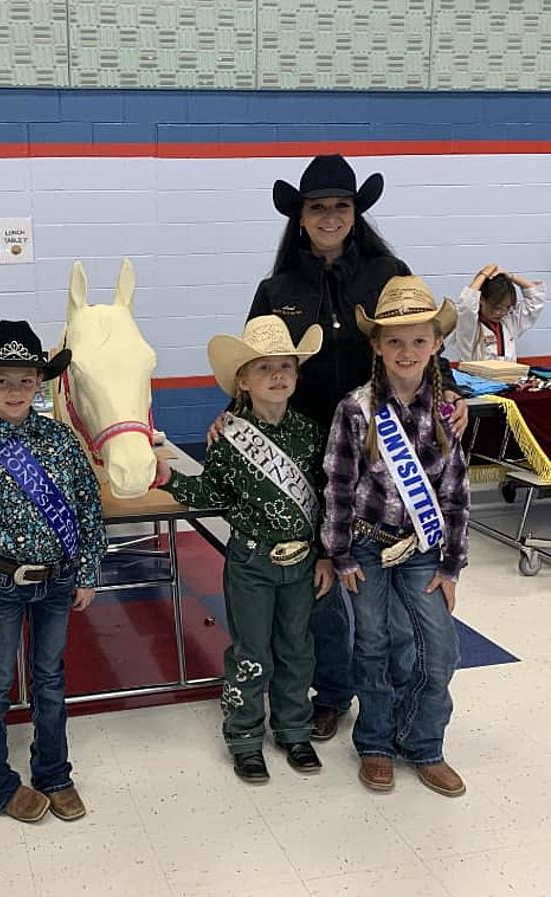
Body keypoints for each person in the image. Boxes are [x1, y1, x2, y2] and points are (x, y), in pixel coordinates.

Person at [212, 154, 468, 741]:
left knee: (395, 588)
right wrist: (232, 414)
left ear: (357, 213)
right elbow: (253, 364)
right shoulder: (276, 287)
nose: (330, 215)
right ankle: (331, 691)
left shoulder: (387, 272)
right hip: (302, 452)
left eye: (341, 205)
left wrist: (447, 390)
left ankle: (400, 710)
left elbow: (422, 343)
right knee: (322, 582)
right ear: (299, 217)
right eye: (318, 206)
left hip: (380, 451)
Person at [155, 315, 334, 782]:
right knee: (253, 651)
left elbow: (326, 497)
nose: (277, 376)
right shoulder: (228, 438)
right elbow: (213, 494)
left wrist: (327, 554)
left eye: (286, 367)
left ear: (296, 375)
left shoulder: (312, 435)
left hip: (303, 561)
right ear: (242, 380)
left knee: (297, 649)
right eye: (264, 368)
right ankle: (244, 737)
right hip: (251, 562)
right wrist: (170, 478)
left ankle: (294, 730)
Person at [0, 321, 106, 824]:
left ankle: (54, 773)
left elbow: (87, 507)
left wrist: (87, 571)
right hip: (0, 586)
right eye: (3, 381)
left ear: (41, 382)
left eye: (24, 380)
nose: (14, 391)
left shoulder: (62, 440)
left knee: (50, 679)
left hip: (58, 582)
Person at [323, 275, 469, 797]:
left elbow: (455, 494)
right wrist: (338, 555)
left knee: (439, 651)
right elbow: (339, 487)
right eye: (395, 341)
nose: (407, 351)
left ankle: (423, 742)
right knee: (374, 646)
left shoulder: (448, 414)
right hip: (365, 545)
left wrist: (452, 566)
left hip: (424, 550)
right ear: (377, 346)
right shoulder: (355, 410)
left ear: (435, 345)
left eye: (418, 340)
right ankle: (377, 744)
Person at [450, 264, 546, 361]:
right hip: (476, 375)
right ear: (482, 300)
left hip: (509, 374)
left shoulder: (509, 322)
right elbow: (467, 304)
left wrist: (511, 277)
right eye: (497, 307)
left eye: (507, 307)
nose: (501, 313)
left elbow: (536, 299)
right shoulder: (469, 325)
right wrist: (483, 275)